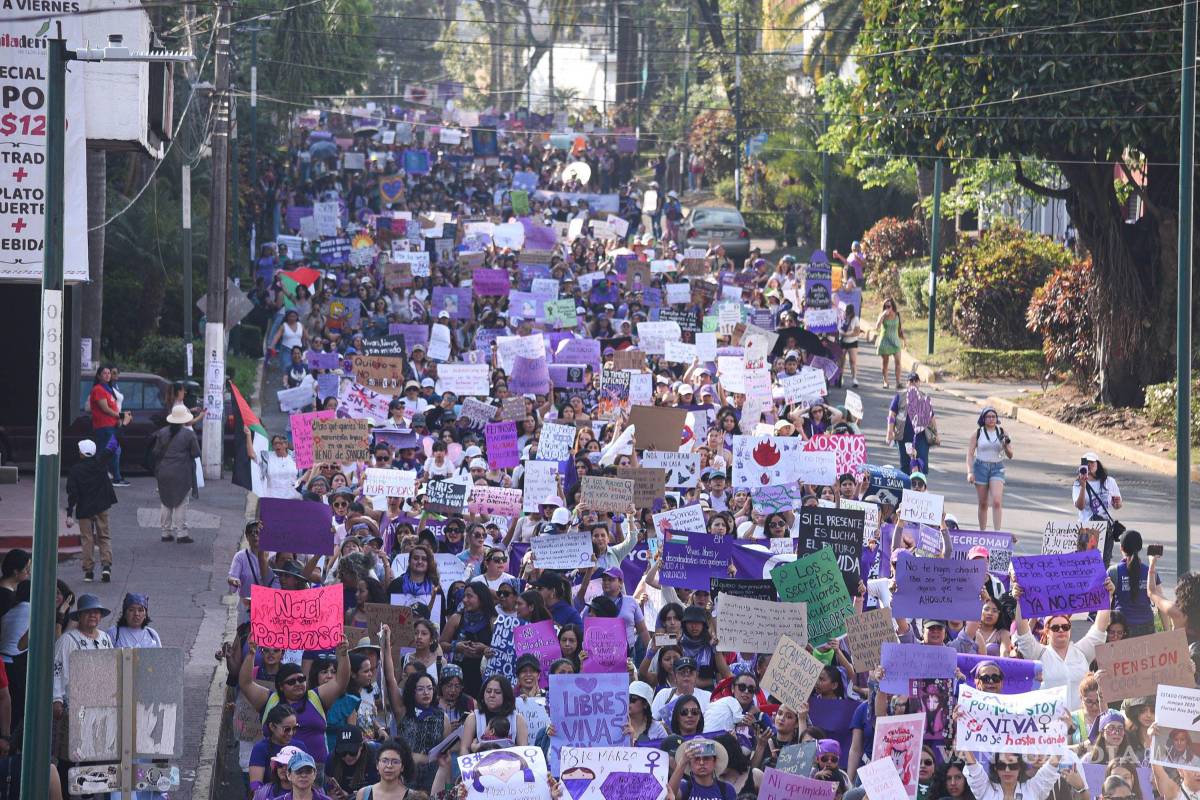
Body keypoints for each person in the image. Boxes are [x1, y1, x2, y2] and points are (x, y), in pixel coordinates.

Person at [65, 439, 118, 583]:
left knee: (87, 539)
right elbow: (111, 447)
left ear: (82, 453)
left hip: (84, 508)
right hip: (101, 506)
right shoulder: (100, 463)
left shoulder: (76, 470)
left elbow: (72, 493)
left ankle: (89, 571)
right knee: (104, 536)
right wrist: (118, 430)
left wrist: (69, 513)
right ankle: (106, 566)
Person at [150, 405, 201, 544]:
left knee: (165, 501)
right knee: (181, 502)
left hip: (163, 472)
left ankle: (165, 532)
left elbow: (156, 451)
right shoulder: (189, 435)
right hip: (181, 473)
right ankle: (181, 533)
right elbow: (196, 453)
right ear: (184, 419)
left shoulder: (162, 432)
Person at [960, 750, 1082, 800]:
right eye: (1002, 765)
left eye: (1012, 765)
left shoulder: (1032, 789)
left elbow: (1051, 766)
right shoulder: (985, 790)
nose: (1007, 770)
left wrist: (1062, 729)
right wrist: (961, 727)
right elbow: (973, 768)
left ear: (1019, 767)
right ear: (995, 768)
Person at [966, 407, 1013, 531]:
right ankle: (983, 532)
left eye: (993, 417)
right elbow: (970, 454)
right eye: (988, 417)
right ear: (983, 418)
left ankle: (997, 532)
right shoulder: (978, 433)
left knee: (997, 501)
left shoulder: (1002, 431)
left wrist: (1005, 445)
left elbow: (1010, 455)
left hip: (997, 467)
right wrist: (970, 472)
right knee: (983, 503)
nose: (991, 419)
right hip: (981, 467)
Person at [1108, 529, 1158, 637]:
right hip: (1147, 626)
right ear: (1140, 548)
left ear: (1121, 548)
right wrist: (1167, 631)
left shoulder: (1113, 571)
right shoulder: (1150, 571)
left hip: (1121, 629)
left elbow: (1104, 602)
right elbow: (1159, 600)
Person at [887, 372, 936, 475]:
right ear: (907, 383)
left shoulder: (924, 397)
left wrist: (936, 435)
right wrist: (889, 432)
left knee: (921, 465)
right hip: (903, 437)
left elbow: (931, 418)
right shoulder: (899, 396)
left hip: (921, 438)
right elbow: (892, 415)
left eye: (916, 380)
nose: (913, 383)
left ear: (919, 383)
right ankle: (907, 485)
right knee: (905, 466)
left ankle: (919, 484)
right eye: (911, 381)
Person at [88, 364, 129, 486]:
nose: (107, 375)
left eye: (108, 373)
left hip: (111, 426)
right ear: (99, 376)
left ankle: (113, 477)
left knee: (113, 451)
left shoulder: (109, 389)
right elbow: (105, 409)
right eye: (104, 373)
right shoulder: (98, 389)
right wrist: (120, 416)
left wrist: (119, 417)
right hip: (104, 427)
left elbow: (113, 407)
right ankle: (111, 478)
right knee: (106, 451)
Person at [669, 738, 737, 800]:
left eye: (706, 758)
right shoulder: (684, 787)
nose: (701, 763)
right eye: (696, 759)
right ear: (690, 764)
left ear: (714, 762)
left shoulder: (727, 789)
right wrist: (682, 763)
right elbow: (670, 795)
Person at [353, 739, 419, 800]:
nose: (389, 766)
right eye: (384, 761)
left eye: (395, 762)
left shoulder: (414, 797)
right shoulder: (363, 794)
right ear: (377, 765)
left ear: (402, 767)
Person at [1072, 452, 1122, 523]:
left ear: (1097, 464)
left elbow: (1117, 506)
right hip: (1086, 525)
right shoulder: (1078, 483)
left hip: (1105, 524)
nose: (1089, 465)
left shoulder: (1109, 481)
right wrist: (1083, 486)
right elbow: (1080, 507)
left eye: (1092, 462)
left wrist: (1117, 503)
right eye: (1086, 463)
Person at [874, 297, 906, 389]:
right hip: (885, 341)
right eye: (885, 306)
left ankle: (898, 382)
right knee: (885, 363)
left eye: (889, 306)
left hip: (895, 341)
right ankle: (885, 382)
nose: (887, 308)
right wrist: (883, 315)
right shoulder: (882, 315)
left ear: (892, 306)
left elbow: (900, 329)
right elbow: (877, 327)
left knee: (898, 362)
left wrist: (904, 340)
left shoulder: (897, 315)